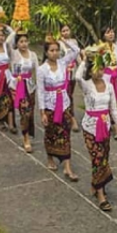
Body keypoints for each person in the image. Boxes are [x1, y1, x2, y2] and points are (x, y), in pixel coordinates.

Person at [75, 44, 117, 211]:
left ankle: (96, 184)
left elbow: (113, 109)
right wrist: (85, 59)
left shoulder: (109, 85)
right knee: (98, 158)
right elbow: (77, 77)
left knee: (104, 158)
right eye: (97, 69)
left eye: (102, 69)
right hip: (90, 127)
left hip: (105, 126)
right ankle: (101, 194)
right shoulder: (87, 84)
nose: (100, 72)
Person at [37, 37, 78, 181]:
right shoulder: (42, 69)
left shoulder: (62, 63)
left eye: (57, 50)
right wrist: (42, 112)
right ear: (46, 52)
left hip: (64, 103)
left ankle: (67, 167)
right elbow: (41, 91)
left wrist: (63, 41)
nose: (55, 53)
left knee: (66, 134)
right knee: (51, 133)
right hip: (50, 104)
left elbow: (76, 51)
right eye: (52, 50)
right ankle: (50, 157)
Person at [10, 31, 39, 154]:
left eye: (25, 41)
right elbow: (6, 42)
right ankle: (25, 138)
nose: (24, 44)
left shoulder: (33, 55)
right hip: (18, 86)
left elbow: (37, 71)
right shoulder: (13, 54)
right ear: (16, 43)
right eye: (21, 41)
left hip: (30, 86)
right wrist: (13, 31)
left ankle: (29, 132)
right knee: (24, 112)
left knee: (30, 112)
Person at [58, 24, 81, 132]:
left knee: (70, 95)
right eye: (63, 31)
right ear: (60, 33)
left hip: (72, 73)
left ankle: (70, 117)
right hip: (62, 73)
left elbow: (78, 57)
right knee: (63, 95)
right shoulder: (58, 44)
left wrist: (82, 68)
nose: (66, 32)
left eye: (67, 30)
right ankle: (68, 117)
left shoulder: (74, 42)